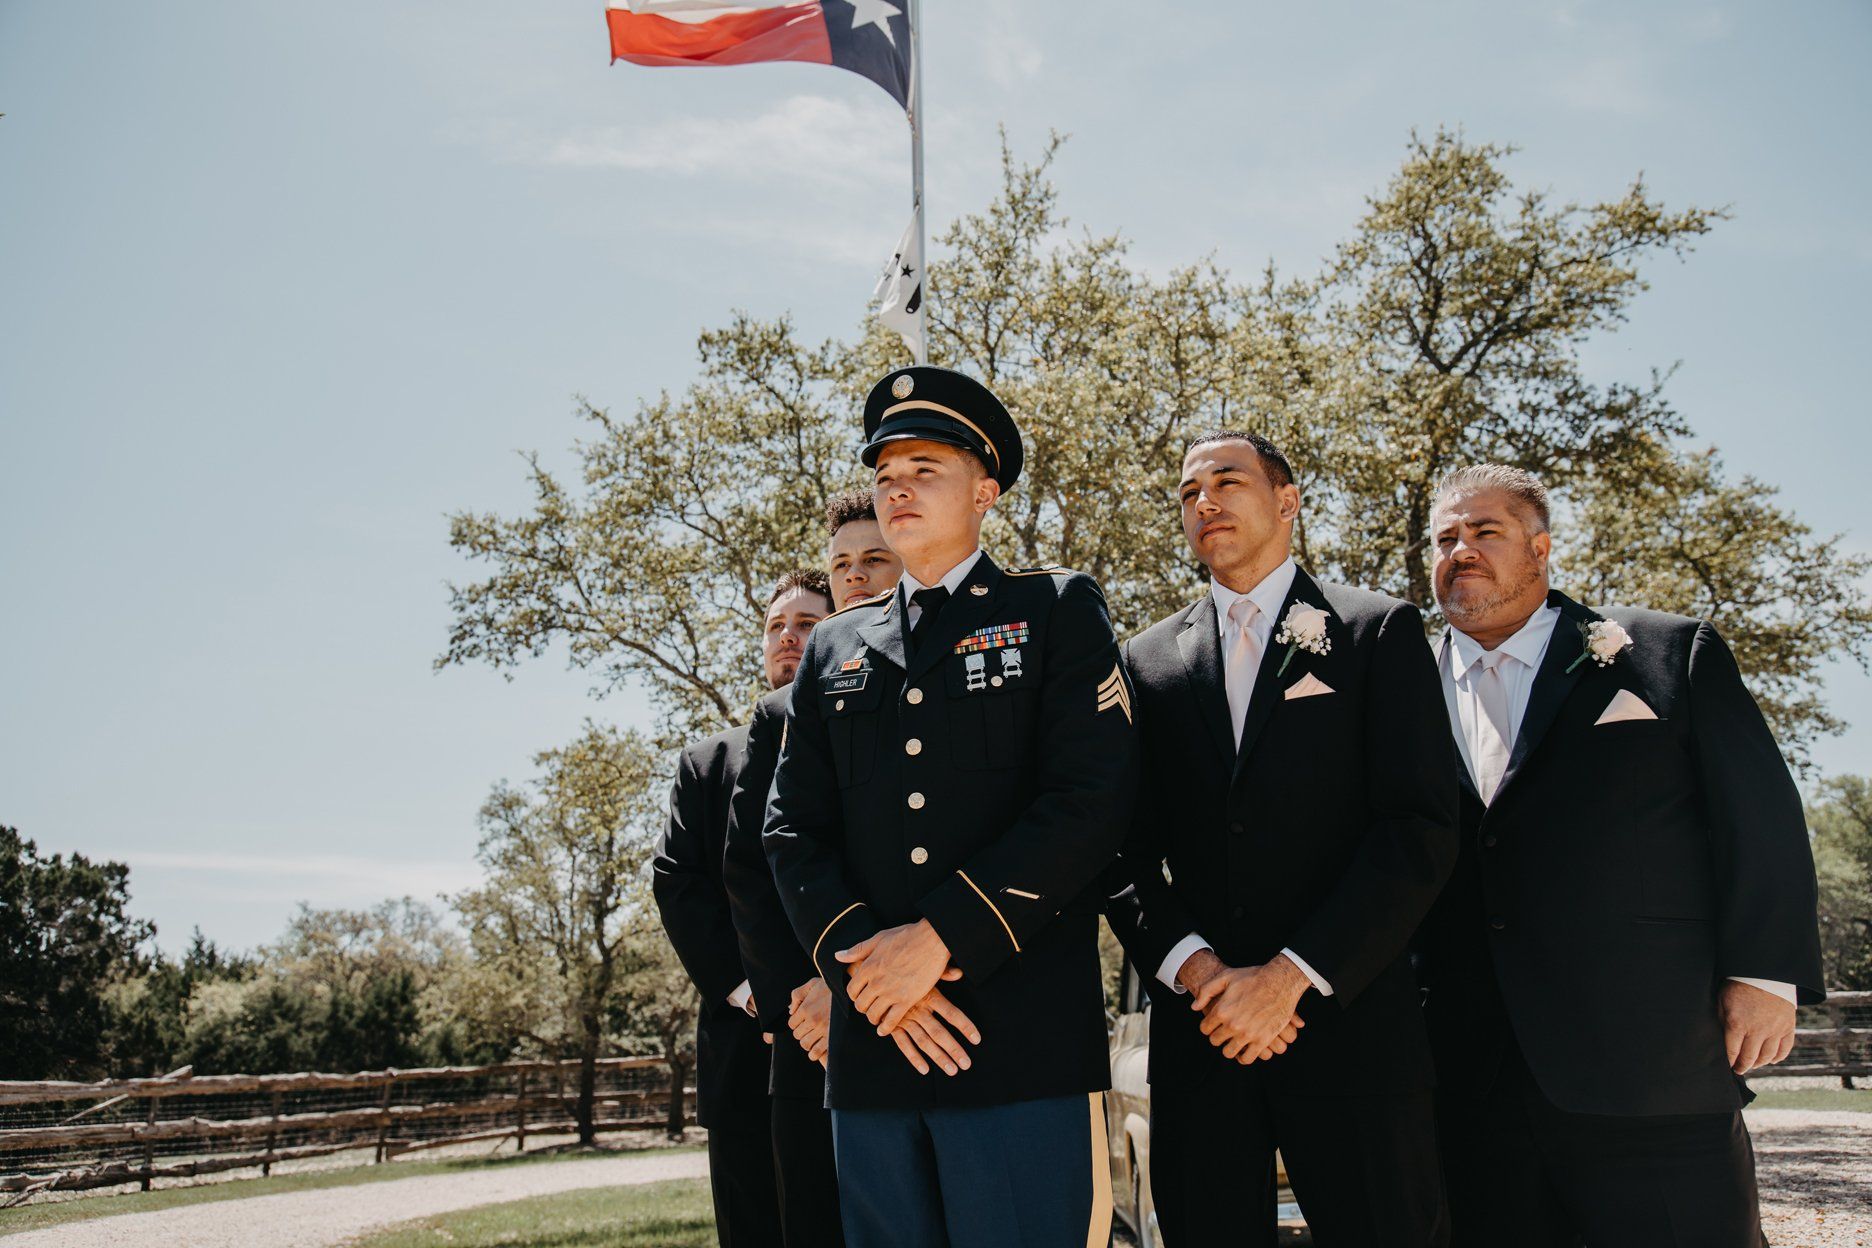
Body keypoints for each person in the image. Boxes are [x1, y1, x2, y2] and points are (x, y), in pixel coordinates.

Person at [763, 365, 1138, 1248]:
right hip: (876, 1054)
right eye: (887, 473)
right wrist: (874, 976)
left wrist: (936, 943)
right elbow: (791, 830)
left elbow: (1092, 799)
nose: (898, 486)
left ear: (985, 490)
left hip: (1016, 1048)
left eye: (924, 468)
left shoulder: (1053, 609)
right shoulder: (835, 651)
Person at [1412, 464, 1825, 1248]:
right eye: (1444, 538)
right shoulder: (1399, 686)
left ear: (1540, 550)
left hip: (1653, 1064)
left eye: (1484, 531)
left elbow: (1761, 817)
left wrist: (1765, 973)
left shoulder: (1666, 652)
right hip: (1470, 1076)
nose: (1460, 550)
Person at [1106, 430, 1458, 1246]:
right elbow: (1120, 852)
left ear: (1288, 501)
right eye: (1189, 492)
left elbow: (1420, 827)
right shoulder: (1147, 660)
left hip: (1356, 1032)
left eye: (1227, 481)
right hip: (1203, 1039)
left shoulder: (1377, 632)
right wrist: (1199, 974)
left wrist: (1291, 978)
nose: (1205, 502)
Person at [721, 494, 903, 1248]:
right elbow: (754, 871)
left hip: (942, 1011)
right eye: (843, 567)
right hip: (814, 1036)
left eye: (874, 562)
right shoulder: (781, 713)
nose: (856, 581)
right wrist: (815, 995)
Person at [654, 568, 830, 1248]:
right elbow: (679, 883)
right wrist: (758, 995)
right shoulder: (707, 763)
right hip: (743, 1056)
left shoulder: (869, 747)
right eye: (775, 628)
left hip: (848, 1042)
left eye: (807, 625)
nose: (788, 639)